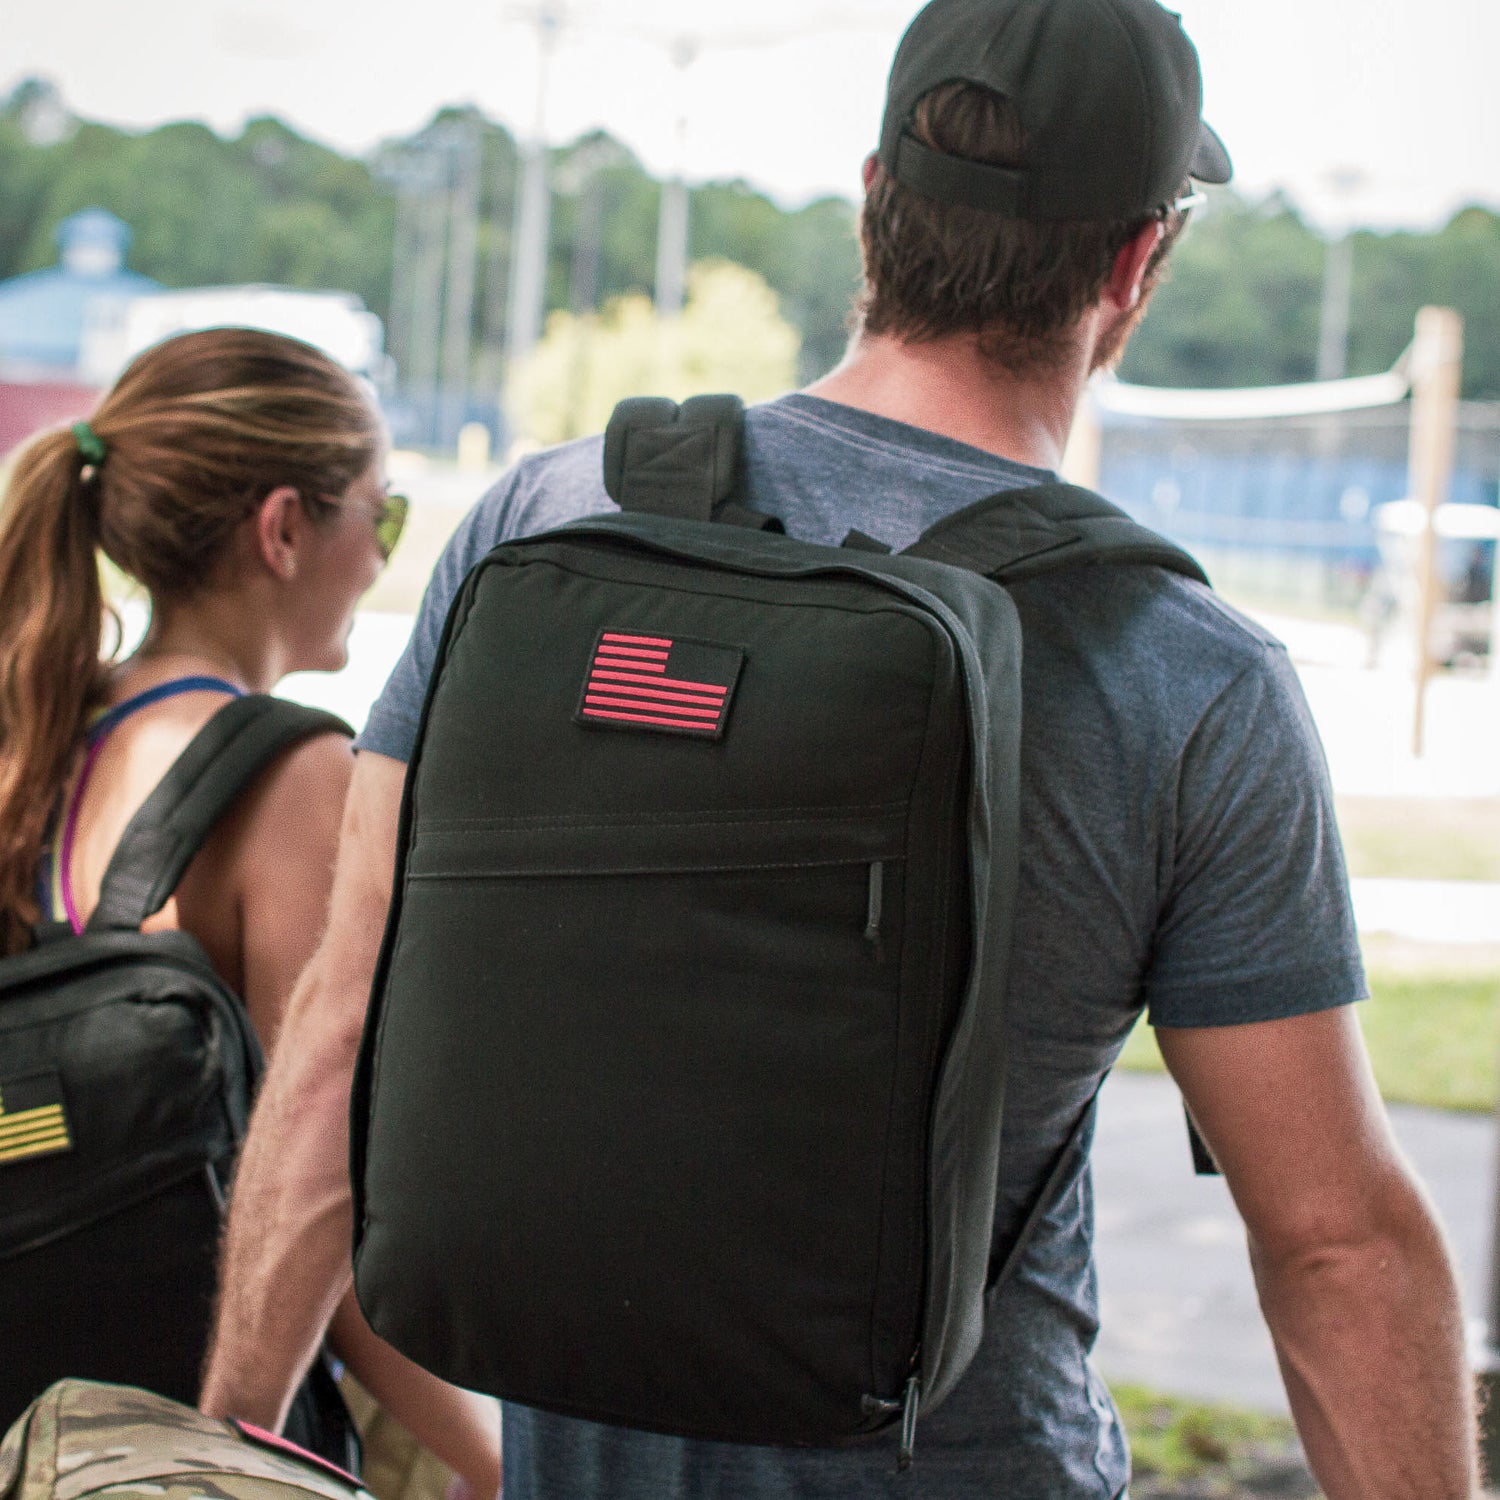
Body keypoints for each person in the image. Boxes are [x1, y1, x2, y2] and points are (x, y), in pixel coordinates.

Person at [199, 1, 1480, 1494]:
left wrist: (214, 1435)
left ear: (876, 197)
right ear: (1135, 264)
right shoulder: (1189, 677)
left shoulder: (542, 525)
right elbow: (1332, 1241)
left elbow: (343, 1027)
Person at [0, 327, 500, 1497]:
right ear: (282, 529)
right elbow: (322, 1192)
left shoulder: (37, 733)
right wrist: (502, 1462)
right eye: (378, 519)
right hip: (165, 1448)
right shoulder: (289, 778)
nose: (385, 560)